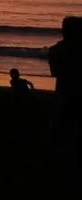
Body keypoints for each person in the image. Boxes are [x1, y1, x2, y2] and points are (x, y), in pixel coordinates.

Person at [48, 16, 82, 155]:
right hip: (73, 91)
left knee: (60, 126)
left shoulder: (56, 49)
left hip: (64, 91)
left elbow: (54, 72)